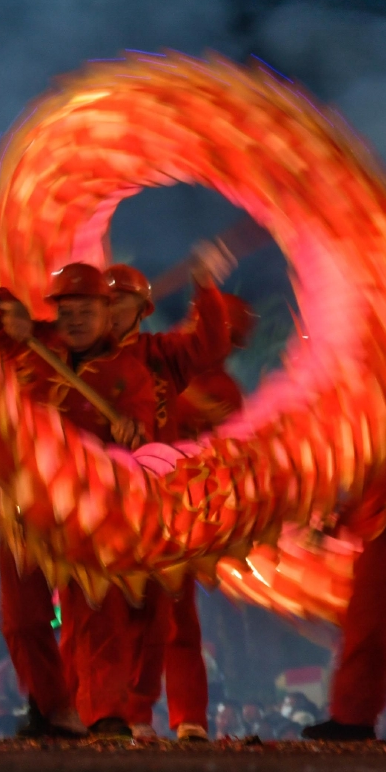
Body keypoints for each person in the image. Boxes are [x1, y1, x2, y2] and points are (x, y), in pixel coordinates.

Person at [0, 262, 163, 737]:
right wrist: (7, 309)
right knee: (21, 617)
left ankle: (106, 713)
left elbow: (144, 440)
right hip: (26, 507)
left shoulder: (129, 373)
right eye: (66, 310)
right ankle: (53, 708)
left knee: (97, 613)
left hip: (89, 512)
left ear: (107, 312)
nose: (74, 320)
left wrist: (131, 433)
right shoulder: (28, 342)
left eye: (85, 311)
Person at [106, 260, 239, 742]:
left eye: (119, 302)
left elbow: (211, 346)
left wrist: (205, 290)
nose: (110, 311)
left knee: (177, 612)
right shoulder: (82, 361)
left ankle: (189, 717)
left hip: (165, 501)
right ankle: (120, 712)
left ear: (142, 310)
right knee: (111, 613)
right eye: (104, 302)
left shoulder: (161, 354)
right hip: (107, 503)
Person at [302, 424, 386, 740]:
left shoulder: (379, 413)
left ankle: (353, 718)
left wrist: (338, 518)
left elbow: (371, 471)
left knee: (369, 627)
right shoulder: (383, 418)